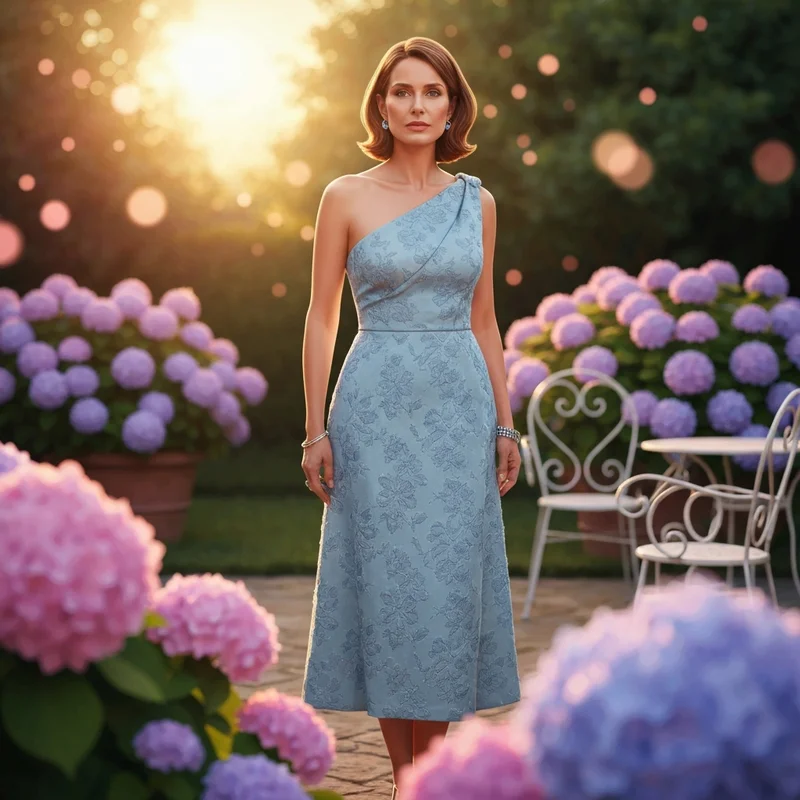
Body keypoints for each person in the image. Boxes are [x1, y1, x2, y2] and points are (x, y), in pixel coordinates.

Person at [300, 36, 521, 797]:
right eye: (403, 92)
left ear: (453, 106)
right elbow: (322, 320)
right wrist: (314, 428)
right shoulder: (345, 196)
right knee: (392, 591)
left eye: (433, 92)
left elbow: (487, 320)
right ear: (382, 106)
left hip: (459, 411)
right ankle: (408, 781)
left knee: (446, 591)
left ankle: (432, 777)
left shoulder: (477, 201)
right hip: (373, 411)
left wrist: (505, 420)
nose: (418, 104)